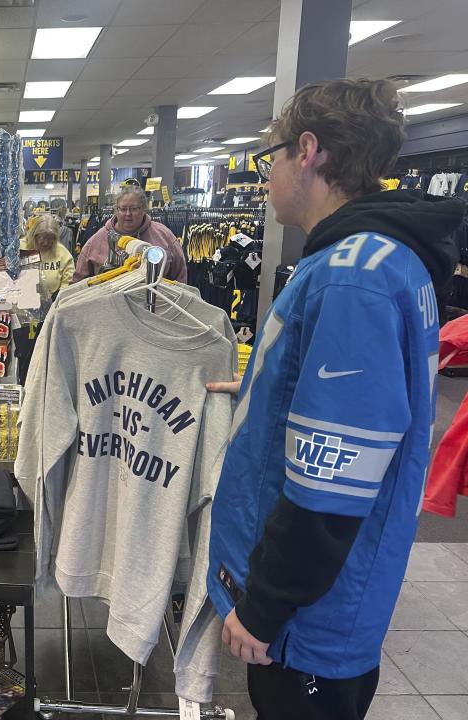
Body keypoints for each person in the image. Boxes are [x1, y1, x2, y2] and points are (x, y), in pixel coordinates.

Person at [206, 79, 464, 720]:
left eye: (271, 156)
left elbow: (334, 479)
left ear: (310, 151)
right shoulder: (379, 261)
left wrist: (264, 606)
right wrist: (270, 390)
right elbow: (367, 405)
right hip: (322, 603)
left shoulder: (354, 278)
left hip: (309, 621)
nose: (266, 175)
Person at [72, 186, 186, 283]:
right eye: (123, 209)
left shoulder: (164, 236)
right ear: (116, 210)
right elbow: (79, 282)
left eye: (133, 209)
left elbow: (180, 277)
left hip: (157, 307)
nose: (128, 214)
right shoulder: (96, 241)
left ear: (143, 209)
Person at [21, 214, 75, 298]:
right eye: (42, 238)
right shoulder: (21, 246)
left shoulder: (62, 253)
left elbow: (68, 280)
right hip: (22, 299)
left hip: (52, 301)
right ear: (34, 235)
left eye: (50, 239)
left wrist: (59, 297)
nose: (46, 242)